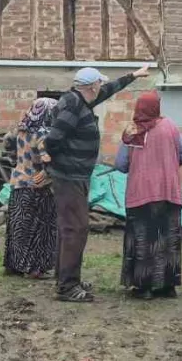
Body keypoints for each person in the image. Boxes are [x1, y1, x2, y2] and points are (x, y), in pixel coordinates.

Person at [44, 65, 149, 302]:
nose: (102, 86)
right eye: (99, 83)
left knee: (69, 228)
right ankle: (67, 287)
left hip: (73, 176)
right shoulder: (73, 106)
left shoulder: (80, 100)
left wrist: (132, 76)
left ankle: (65, 277)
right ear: (92, 86)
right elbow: (53, 139)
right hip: (69, 177)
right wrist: (59, 162)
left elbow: (109, 90)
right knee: (76, 229)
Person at [114, 91, 182, 299]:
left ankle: (144, 287)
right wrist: (167, 164)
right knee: (168, 238)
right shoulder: (171, 127)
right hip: (168, 191)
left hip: (141, 193)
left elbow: (120, 165)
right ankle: (168, 286)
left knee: (143, 239)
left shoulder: (132, 131)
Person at [2, 97, 59, 279]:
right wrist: (51, 172)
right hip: (37, 186)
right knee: (41, 228)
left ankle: (15, 265)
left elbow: (8, 147)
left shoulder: (20, 130)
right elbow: (46, 160)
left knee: (19, 227)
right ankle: (36, 268)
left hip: (18, 182)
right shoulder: (43, 134)